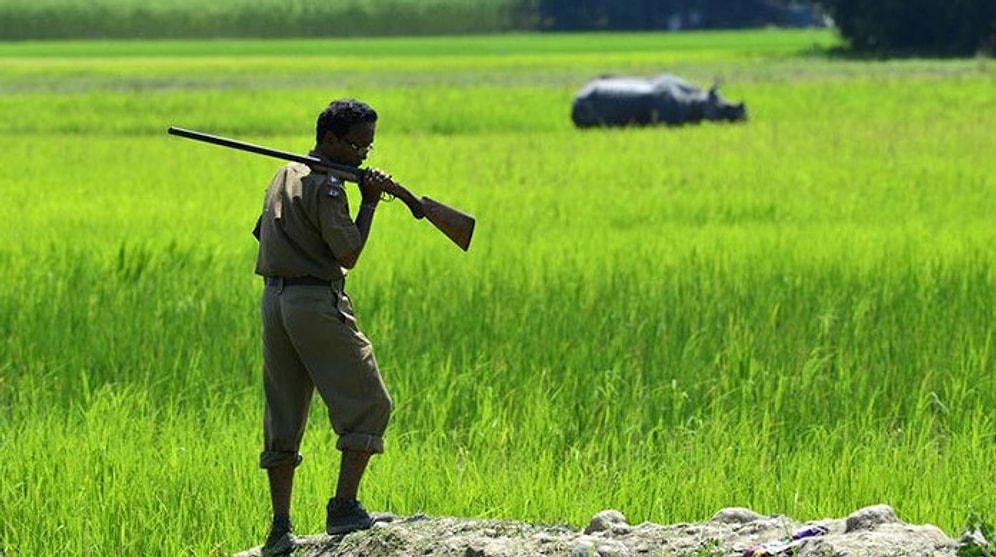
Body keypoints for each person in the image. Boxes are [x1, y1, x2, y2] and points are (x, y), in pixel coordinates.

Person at [252, 98, 395, 556]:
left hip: (274, 300)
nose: (362, 156)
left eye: (367, 149)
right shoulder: (330, 186)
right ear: (331, 139)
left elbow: (262, 232)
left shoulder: (284, 174)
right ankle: (345, 507)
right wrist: (368, 204)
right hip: (315, 300)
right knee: (371, 403)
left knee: (284, 411)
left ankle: (279, 529)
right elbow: (347, 253)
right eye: (357, 146)